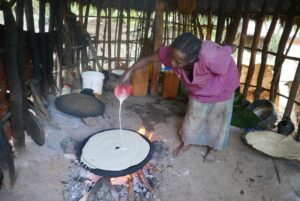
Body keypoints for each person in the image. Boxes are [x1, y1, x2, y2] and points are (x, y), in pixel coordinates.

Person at [120, 32, 239, 162]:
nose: (171, 62)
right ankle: (187, 143)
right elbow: (148, 59)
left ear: (192, 59)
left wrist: (230, 47)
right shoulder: (174, 52)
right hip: (201, 88)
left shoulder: (211, 56)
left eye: (178, 61)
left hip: (222, 85)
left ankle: (212, 149)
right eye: (171, 56)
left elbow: (230, 49)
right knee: (193, 116)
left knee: (217, 120)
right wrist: (129, 71)